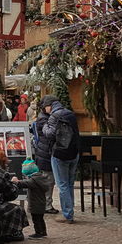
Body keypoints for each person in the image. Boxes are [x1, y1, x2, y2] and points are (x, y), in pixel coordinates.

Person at [40, 94, 79, 223]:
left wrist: (45, 126)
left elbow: (50, 134)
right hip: (73, 153)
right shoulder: (70, 113)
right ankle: (70, 211)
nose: (44, 110)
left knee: (62, 185)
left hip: (60, 154)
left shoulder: (54, 115)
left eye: (45, 107)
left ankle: (67, 214)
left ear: (49, 106)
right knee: (69, 184)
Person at [17, 158, 54, 239]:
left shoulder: (33, 181)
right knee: (40, 219)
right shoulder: (41, 178)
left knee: (36, 220)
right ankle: (43, 232)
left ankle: (38, 233)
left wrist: (16, 182)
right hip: (41, 203)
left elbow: (25, 183)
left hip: (35, 204)